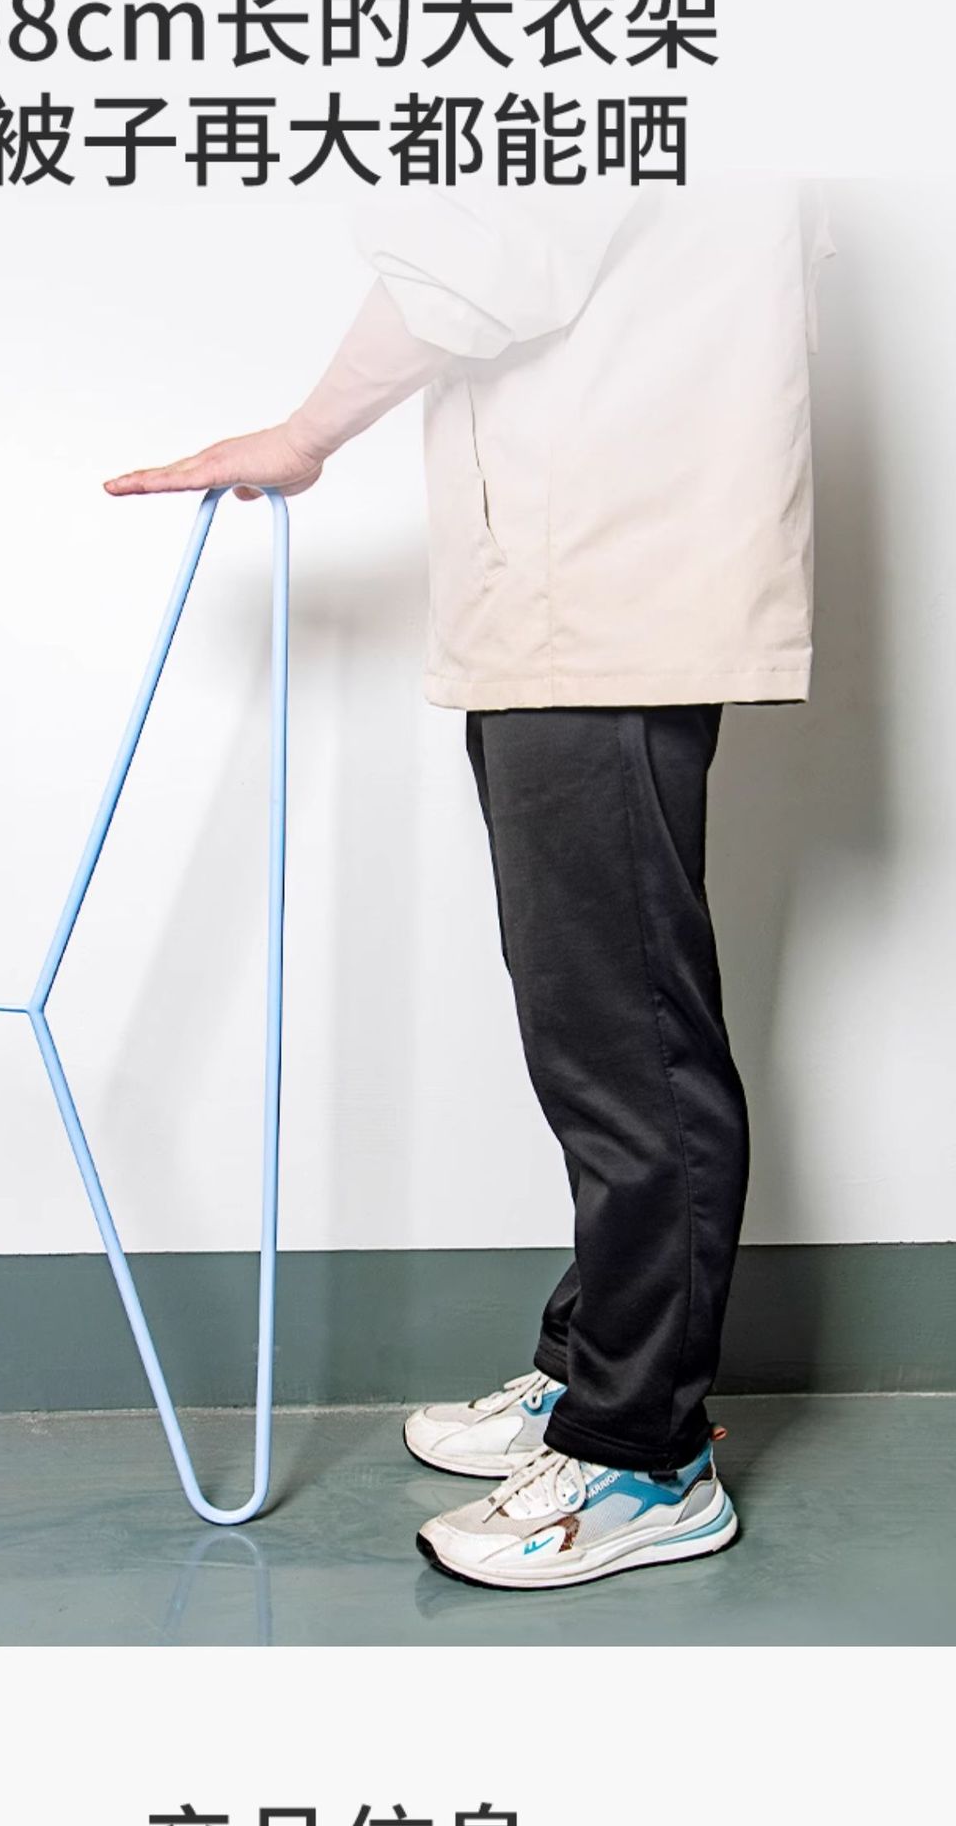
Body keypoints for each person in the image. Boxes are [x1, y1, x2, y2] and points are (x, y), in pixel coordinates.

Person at [104, 182, 834, 1591]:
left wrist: (303, 436)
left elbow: (482, 257)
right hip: (576, 586)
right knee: (595, 1030)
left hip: (609, 591)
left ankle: (645, 1456)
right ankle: (594, 1371)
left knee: (630, 1049)